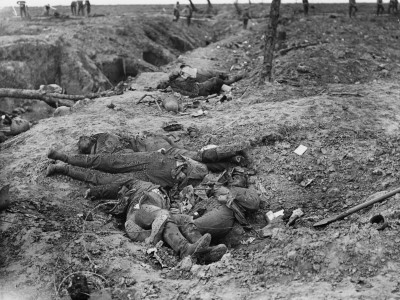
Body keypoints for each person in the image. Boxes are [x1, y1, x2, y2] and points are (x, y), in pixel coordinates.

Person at [86, 179, 227, 263]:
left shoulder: (145, 188)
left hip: (156, 209)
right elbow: (112, 184)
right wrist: (94, 191)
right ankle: (185, 249)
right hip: (148, 210)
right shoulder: (138, 201)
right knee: (166, 220)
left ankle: (203, 251)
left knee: (183, 220)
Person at [46, 142, 248, 188]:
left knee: (103, 179)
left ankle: (63, 168)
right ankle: (63, 157)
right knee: (105, 161)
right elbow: (175, 152)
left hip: (154, 179)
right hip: (155, 160)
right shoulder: (198, 157)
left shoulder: (210, 179)